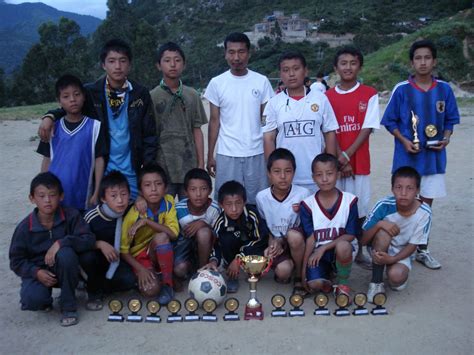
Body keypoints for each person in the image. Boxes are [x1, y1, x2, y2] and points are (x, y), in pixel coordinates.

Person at [38, 39, 157, 200]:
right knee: (102, 218)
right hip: (101, 171)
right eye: (112, 61)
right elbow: (71, 107)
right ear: (103, 65)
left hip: (132, 170)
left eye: (123, 61)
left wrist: (146, 171)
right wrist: (50, 116)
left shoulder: (139, 93)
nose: (117, 66)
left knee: (133, 217)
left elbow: (149, 134)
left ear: (129, 64)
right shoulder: (91, 92)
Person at [381, 39, 460, 269]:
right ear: (412, 62)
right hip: (407, 159)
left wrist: (445, 138)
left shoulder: (444, 89)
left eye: (427, 57)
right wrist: (405, 141)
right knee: (404, 203)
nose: (423, 62)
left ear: (434, 61)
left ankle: (422, 249)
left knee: (425, 206)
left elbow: (451, 120)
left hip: (433, 160)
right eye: (418, 58)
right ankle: (399, 248)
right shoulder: (401, 89)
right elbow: (390, 121)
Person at [9, 172, 95, 326]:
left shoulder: (71, 215)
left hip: (67, 267)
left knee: (66, 253)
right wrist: (36, 272)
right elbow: (16, 261)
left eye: (52, 195)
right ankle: (45, 298)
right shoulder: (24, 227)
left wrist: (62, 242)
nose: (47, 200)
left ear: (61, 196)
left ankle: (68, 305)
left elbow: (88, 239)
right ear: (32, 198)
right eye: (41, 196)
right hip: (40, 270)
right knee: (32, 300)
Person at [325, 46, 380, 269]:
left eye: (353, 63)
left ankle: (359, 252)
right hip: (334, 164)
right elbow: (329, 129)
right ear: (336, 67)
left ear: (360, 66)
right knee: (336, 208)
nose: (348, 67)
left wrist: (347, 156)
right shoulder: (326, 97)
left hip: (359, 162)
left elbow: (366, 128)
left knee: (360, 210)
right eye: (343, 63)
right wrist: (339, 158)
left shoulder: (370, 94)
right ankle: (335, 253)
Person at [204, 32, 274, 204]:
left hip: (257, 152)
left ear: (249, 53)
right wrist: (210, 155)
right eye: (232, 52)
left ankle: (259, 231)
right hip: (227, 153)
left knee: (258, 201)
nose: (236, 57)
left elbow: (266, 120)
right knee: (227, 201)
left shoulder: (261, 81)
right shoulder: (217, 83)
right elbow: (214, 121)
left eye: (241, 52)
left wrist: (270, 153)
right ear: (225, 54)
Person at [263, 51, 338, 193]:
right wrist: (272, 172)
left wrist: (331, 167)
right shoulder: (273, 103)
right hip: (287, 179)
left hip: (317, 176)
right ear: (281, 74)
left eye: (296, 69)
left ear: (305, 71)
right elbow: (269, 138)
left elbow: (329, 133)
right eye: (286, 70)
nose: (291, 74)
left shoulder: (320, 99)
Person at [361, 167, 432, 302]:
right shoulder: (383, 205)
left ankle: (391, 268)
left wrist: (392, 260)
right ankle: (376, 282)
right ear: (392, 189)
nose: (403, 193)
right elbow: (363, 240)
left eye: (409, 188)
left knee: (396, 279)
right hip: (379, 246)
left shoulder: (424, 212)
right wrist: (379, 224)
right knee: (383, 233)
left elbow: (413, 245)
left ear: (417, 190)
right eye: (398, 187)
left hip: (402, 251)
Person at [36, 74, 105, 211]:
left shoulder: (95, 127)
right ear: (59, 101)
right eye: (66, 96)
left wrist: (97, 191)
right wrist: (42, 187)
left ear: (84, 96)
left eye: (77, 94)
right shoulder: (52, 127)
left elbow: (99, 160)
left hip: (83, 194)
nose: (72, 100)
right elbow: (47, 159)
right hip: (55, 193)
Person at [150, 42, 207, 200]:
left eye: (177, 60)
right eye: (167, 60)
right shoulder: (152, 97)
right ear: (158, 65)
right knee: (163, 213)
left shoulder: (192, 95)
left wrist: (201, 164)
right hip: (162, 165)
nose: (172, 65)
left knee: (188, 213)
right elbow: (150, 133)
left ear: (184, 64)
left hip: (188, 165)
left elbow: (197, 130)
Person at [300, 154, 358, 298]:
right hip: (319, 253)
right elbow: (310, 239)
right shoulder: (308, 204)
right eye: (319, 175)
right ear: (313, 178)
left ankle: (342, 283)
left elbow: (350, 234)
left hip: (341, 250)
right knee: (315, 284)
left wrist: (324, 247)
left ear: (338, 175)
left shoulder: (349, 200)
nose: (325, 179)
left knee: (343, 246)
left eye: (329, 174)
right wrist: (302, 272)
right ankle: (328, 276)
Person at [120, 164, 179, 304]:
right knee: (151, 291)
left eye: (158, 184)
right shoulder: (133, 215)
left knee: (162, 237)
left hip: (158, 247)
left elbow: (173, 234)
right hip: (139, 255)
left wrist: (147, 222)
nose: (153, 189)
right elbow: (123, 251)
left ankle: (167, 284)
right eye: (147, 185)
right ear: (140, 191)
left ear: (165, 188)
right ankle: (155, 274)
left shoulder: (169, 202)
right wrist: (140, 270)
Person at [256, 148, 311, 295]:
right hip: (276, 242)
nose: (282, 176)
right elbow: (266, 226)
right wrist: (271, 246)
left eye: (288, 171)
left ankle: (299, 275)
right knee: (283, 272)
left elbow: (307, 227)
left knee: (294, 236)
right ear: (269, 174)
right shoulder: (261, 197)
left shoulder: (303, 194)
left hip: (297, 240)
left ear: (294, 172)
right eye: (277, 171)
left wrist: (282, 240)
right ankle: (290, 265)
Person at [81, 171, 137, 310]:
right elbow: (78, 241)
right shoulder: (91, 216)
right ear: (103, 199)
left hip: (116, 259)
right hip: (95, 257)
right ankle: (93, 292)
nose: (120, 200)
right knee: (88, 258)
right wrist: (99, 244)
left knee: (129, 281)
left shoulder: (131, 211)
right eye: (113, 196)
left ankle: (102, 285)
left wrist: (140, 200)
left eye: (124, 194)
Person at [203, 181, 268, 293]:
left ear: (244, 202)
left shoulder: (252, 215)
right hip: (233, 250)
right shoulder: (220, 222)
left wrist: (239, 258)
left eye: (238, 203)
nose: (234, 209)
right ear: (221, 205)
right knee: (227, 239)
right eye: (228, 204)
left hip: (252, 248)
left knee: (259, 249)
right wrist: (214, 260)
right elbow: (216, 245)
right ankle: (232, 275)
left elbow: (260, 239)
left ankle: (253, 269)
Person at [174, 168, 220, 289]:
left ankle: (203, 272)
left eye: (203, 189)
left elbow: (218, 236)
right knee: (180, 270)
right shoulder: (178, 209)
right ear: (186, 192)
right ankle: (189, 270)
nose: (198, 194)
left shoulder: (214, 209)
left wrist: (204, 224)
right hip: (185, 247)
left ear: (210, 190)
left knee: (203, 232)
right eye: (193, 189)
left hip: (207, 247)